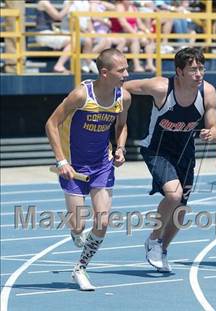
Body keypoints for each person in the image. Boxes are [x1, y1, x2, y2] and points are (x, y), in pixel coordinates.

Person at [123, 47, 216, 272]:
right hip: (157, 149)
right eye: (193, 69)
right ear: (179, 72)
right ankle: (153, 239)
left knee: (181, 209)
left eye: (201, 69)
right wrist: (118, 117)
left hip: (185, 152)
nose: (199, 74)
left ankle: (162, 249)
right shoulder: (160, 87)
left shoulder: (208, 92)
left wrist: (211, 132)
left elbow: (214, 126)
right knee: (173, 195)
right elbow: (124, 88)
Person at [45, 48, 131, 289]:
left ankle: (80, 268)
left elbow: (122, 125)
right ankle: (76, 233)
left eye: (126, 68)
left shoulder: (123, 97)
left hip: (101, 164)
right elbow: (51, 124)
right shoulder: (81, 95)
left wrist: (120, 148)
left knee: (102, 222)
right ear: (105, 73)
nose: (127, 74)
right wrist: (61, 161)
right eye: (121, 70)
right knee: (79, 226)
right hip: (73, 165)